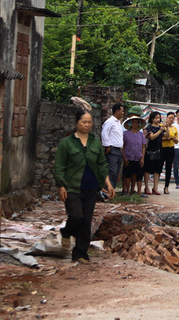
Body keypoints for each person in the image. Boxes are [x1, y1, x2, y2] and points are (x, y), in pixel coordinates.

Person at [54, 109, 115, 263]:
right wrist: (61, 186)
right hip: (72, 187)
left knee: (86, 221)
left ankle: (80, 253)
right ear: (77, 123)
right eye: (84, 122)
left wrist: (108, 184)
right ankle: (66, 232)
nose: (87, 125)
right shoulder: (67, 143)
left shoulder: (95, 142)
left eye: (89, 122)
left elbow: (101, 165)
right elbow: (59, 166)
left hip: (91, 187)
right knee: (76, 216)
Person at [100, 103, 124, 191]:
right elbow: (104, 133)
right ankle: (107, 190)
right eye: (122, 111)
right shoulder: (110, 121)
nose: (123, 113)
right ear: (117, 111)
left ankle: (111, 190)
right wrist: (107, 145)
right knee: (112, 171)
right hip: (113, 149)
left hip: (118, 150)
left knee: (116, 172)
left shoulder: (118, 123)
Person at [122, 114, 146, 196]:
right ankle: (127, 191)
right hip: (129, 157)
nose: (135, 124)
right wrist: (124, 157)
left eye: (136, 123)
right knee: (128, 174)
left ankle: (139, 191)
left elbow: (143, 146)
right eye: (133, 122)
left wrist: (142, 158)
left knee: (138, 175)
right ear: (130, 124)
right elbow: (123, 146)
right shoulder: (125, 134)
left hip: (138, 157)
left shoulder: (141, 134)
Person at [143, 111, 166, 195]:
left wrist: (166, 127)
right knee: (148, 169)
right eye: (156, 117)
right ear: (152, 119)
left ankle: (155, 187)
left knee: (158, 169)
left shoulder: (161, 127)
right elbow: (151, 137)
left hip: (159, 149)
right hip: (151, 149)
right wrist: (160, 131)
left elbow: (167, 136)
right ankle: (147, 187)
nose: (158, 119)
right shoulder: (149, 127)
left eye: (159, 117)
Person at [161, 112, 179, 194]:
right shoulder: (161, 126)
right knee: (159, 167)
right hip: (162, 148)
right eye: (170, 117)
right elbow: (160, 138)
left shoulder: (174, 128)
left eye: (172, 118)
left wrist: (174, 139)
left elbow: (177, 141)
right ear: (166, 118)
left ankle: (166, 187)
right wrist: (166, 138)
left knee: (168, 168)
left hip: (171, 149)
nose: (171, 119)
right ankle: (155, 187)